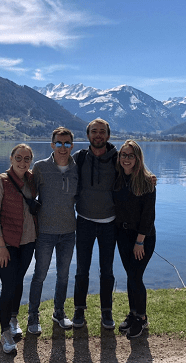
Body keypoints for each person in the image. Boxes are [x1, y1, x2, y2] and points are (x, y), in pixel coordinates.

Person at [27, 127, 78, 334]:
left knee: (63, 275)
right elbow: (25, 188)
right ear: (52, 145)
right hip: (45, 232)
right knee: (40, 274)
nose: (63, 147)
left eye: (67, 143)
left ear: (72, 146)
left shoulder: (78, 168)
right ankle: (33, 315)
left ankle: (58, 312)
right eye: (59, 143)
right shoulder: (40, 168)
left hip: (68, 232)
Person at [0, 144, 37, 354]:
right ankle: (5, 331)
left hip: (28, 241)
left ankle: (14, 318)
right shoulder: (0, 183)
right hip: (6, 244)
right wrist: (1, 246)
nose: (22, 162)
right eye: (19, 157)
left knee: (18, 282)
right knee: (8, 285)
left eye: (27, 159)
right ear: (11, 158)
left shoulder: (32, 180)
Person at [72, 118, 119, 329]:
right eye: (93, 131)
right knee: (82, 270)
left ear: (108, 135)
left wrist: (150, 178)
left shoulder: (118, 158)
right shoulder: (79, 158)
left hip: (110, 223)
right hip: (84, 221)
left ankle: (106, 311)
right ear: (88, 135)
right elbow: (59, 170)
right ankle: (79, 310)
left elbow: (135, 173)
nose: (98, 135)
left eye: (101, 132)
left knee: (107, 271)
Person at [113, 140, 156, 338]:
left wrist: (140, 241)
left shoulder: (147, 182)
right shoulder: (118, 179)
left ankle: (142, 319)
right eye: (123, 155)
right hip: (122, 235)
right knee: (131, 276)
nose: (126, 159)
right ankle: (132, 314)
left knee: (136, 277)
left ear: (137, 158)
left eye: (130, 155)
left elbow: (148, 216)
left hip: (142, 238)